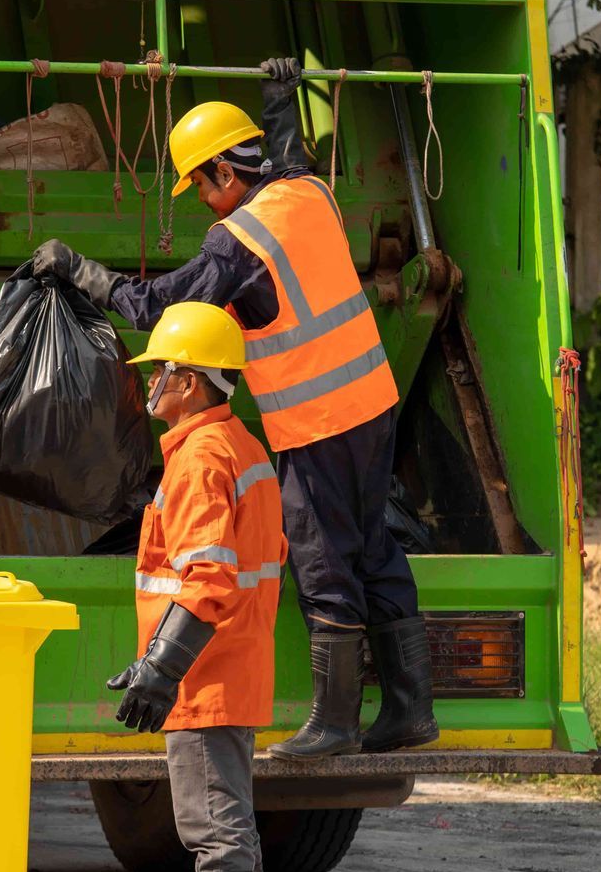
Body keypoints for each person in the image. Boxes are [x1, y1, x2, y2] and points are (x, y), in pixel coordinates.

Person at [33, 59, 437, 761]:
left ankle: (336, 723)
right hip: (373, 405)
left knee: (322, 559)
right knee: (374, 547)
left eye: (200, 187)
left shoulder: (237, 239)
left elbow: (163, 309)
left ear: (224, 171)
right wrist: (280, 98)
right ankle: (409, 708)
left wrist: (79, 270)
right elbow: (288, 156)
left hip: (316, 423)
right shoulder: (310, 193)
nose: (204, 204)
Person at [107, 301, 282, 872]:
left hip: (206, 675)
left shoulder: (200, 460)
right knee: (232, 822)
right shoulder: (239, 449)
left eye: (160, 373)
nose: (150, 386)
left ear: (190, 381)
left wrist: (160, 669)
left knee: (213, 829)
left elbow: (207, 578)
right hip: (229, 665)